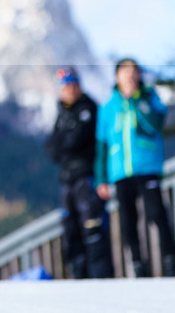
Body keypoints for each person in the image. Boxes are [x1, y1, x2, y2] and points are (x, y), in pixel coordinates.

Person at [94, 58, 175, 277]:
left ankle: (171, 262)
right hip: (120, 171)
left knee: (157, 214)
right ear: (117, 76)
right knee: (128, 221)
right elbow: (101, 146)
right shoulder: (107, 107)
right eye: (125, 71)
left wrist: (137, 100)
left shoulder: (149, 97)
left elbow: (155, 124)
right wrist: (101, 179)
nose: (130, 76)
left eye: (134, 71)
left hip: (147, 167)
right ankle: (137, 265)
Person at [44, 67, 114, 279]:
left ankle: (101, 278)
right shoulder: (62, 114)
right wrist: (66, 144)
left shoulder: (88, 109)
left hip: (87, 178)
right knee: (71, 231)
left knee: (93, 229)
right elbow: (52, 149)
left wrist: (66, 145)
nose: (69, 90)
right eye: (65, 87)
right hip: (67, 181)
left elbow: (75, 141)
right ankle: (79, 277)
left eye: (72, 85)